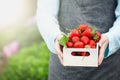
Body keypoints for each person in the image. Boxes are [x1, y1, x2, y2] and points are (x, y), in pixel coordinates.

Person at [36, 0, 120, 80]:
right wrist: (55, 36)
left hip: (108, 68)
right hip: (64, 65)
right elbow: (45, 13)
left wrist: (111, 38)